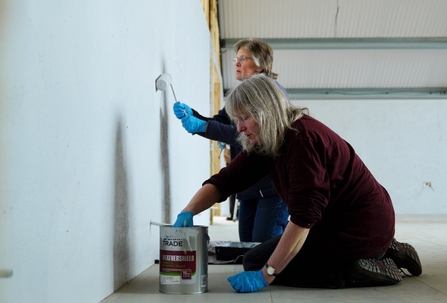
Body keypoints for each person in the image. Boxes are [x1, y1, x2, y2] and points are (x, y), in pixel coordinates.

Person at [172, 74, 422, 292]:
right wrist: (188, 211)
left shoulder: (302, 141)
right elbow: (226, 181)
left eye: (244, 118)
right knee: (257, 258)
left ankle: (361, 268)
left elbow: (304, 218)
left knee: (260, 264)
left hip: (356, 228)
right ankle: (386, 249)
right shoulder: (269, 138)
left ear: (264, 111)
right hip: (350, 222)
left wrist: (267, 274)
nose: (239, 128)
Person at [172, 38, 288, 242]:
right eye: (236, 58)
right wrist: (194, 116)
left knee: (263, 244)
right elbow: (220, 123)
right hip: (248, 184)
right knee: (247, 244)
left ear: (261, 63)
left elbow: (253, 134)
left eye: (243, 58)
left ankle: (271, 274)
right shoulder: (242, 95)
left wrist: (205, 127)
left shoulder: (270, 93)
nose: (236, 62)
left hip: (271, 184)